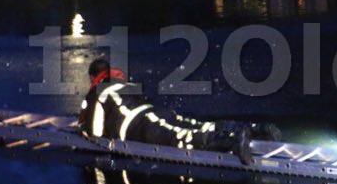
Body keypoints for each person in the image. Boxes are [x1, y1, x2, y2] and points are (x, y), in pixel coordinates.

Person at [79, 58, 258, 165]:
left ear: (93, 77)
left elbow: (94, 132)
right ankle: (253, 129)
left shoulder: (98, 91)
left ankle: (233, 141)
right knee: (195, 126)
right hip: (156, 113)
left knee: (183, 138)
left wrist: (83, 131)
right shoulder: (128, 84)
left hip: (140, 127)